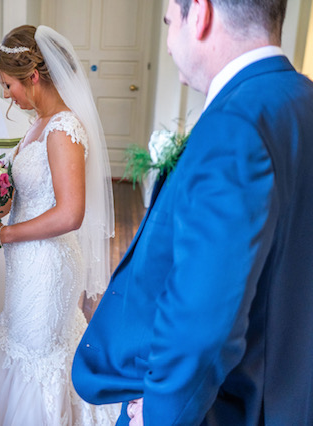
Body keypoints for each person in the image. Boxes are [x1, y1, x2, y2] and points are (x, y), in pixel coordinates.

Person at [72, 0, 313, 424]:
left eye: (169, 23)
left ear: (198, 14)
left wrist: (160, 414)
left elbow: (202, 323)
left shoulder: (235, 124)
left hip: (222, 408)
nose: (167, 44)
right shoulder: (300, 98)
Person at [0, 25, 118, 425]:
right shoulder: (37, 125)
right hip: (28, 263)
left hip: (48, 266)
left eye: (9, 85)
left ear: (33, 77)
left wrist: (2, 234)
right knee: (22, 346)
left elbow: (70, 213)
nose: (7, 95)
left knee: (38, 355)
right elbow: (18, 197)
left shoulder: (63, 130)